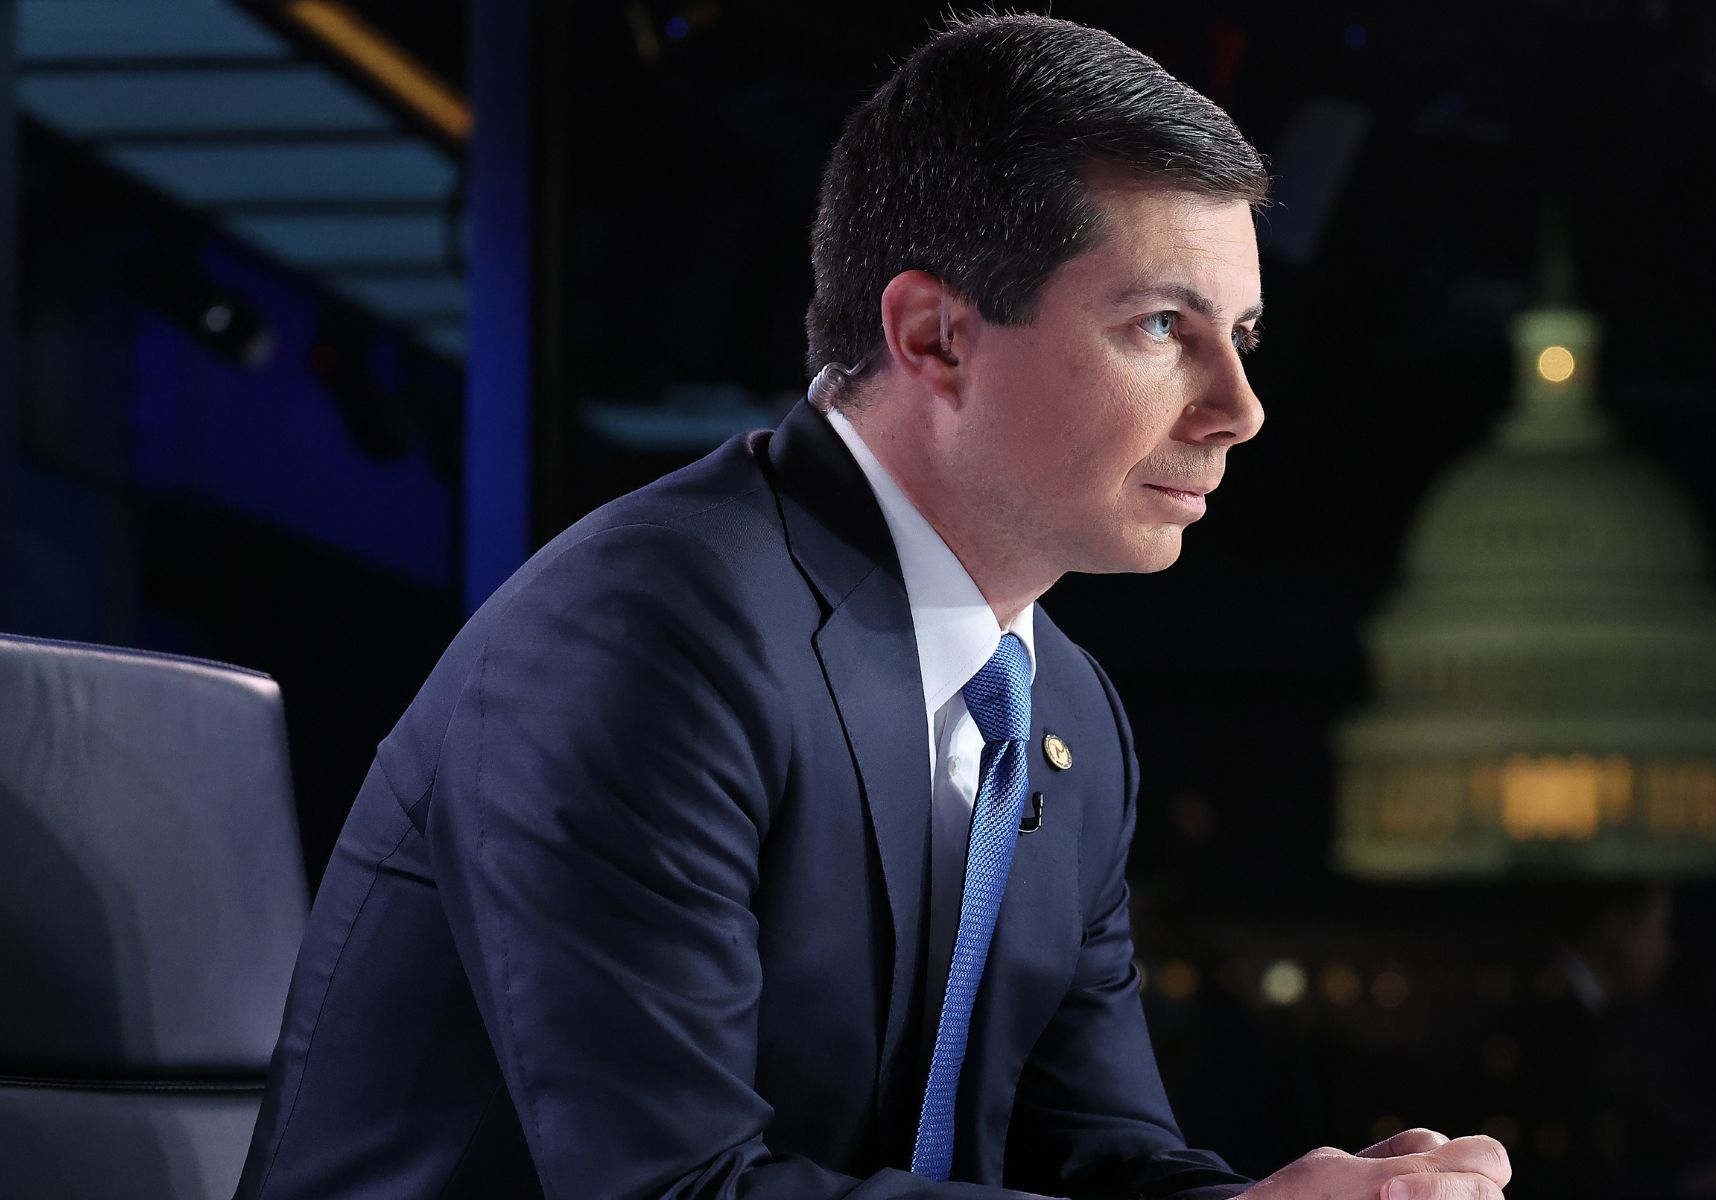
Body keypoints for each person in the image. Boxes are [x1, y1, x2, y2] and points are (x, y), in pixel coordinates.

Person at [236, 14, 1512, 1200]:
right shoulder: (646, 640)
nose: (1238, 407)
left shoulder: (1064, 706)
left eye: (1240, 332)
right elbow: (672, 1190)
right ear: (935, 338)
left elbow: (1091, 1155)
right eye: (1162, 325)